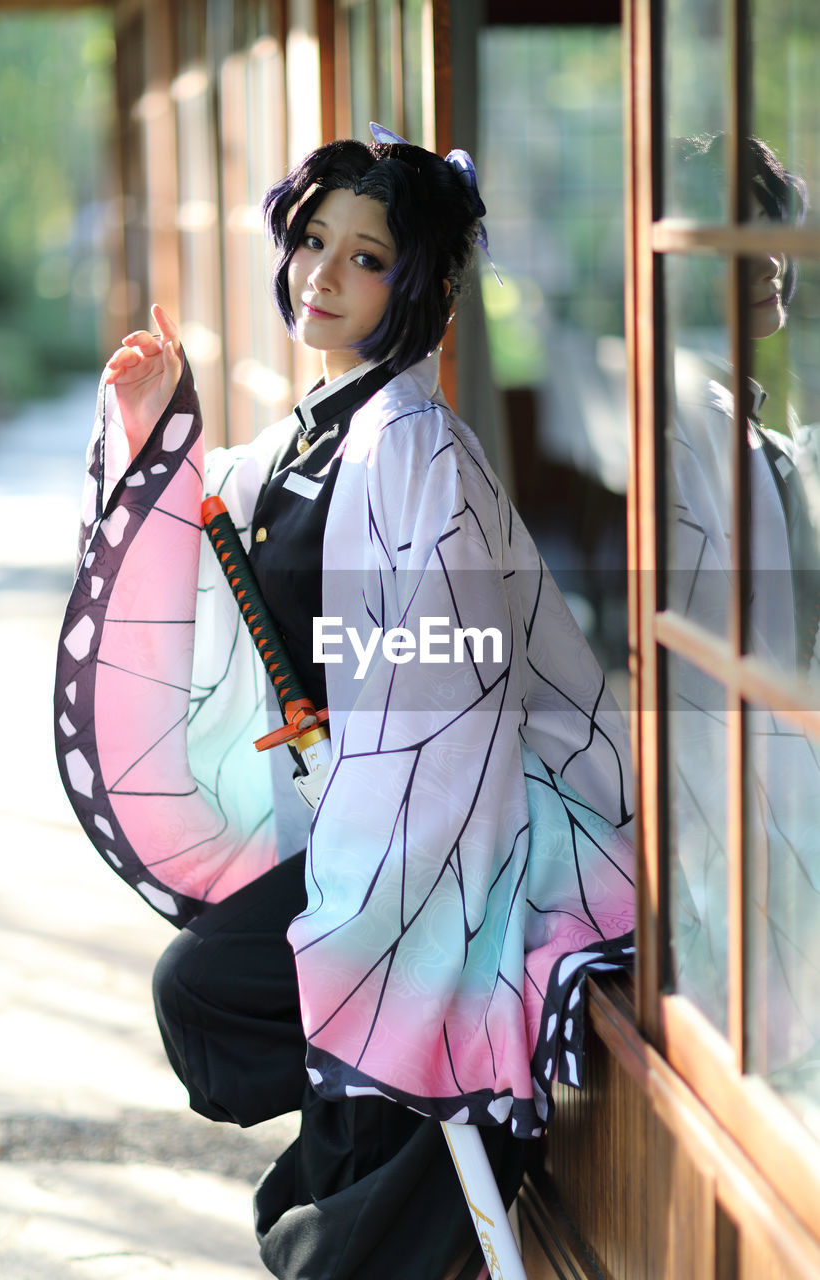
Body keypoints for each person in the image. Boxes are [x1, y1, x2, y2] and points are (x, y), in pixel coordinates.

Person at [54, 128, 636, 1279]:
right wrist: (155, 429)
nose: (320, 274)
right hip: (369, 822)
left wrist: (368, 897)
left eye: (365, 257)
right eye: (312, 239)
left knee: (258, 1022)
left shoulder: (419, 452)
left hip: (452, 838)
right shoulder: (322, 427)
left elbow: (450, 698)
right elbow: (214, 529)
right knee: (295, 1071)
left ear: (418, 284)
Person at [667, 133, 820, 1072]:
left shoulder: (729, 411)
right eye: (737, 241)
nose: (768, 263)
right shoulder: (702, 427)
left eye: (774, 237)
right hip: (735, 796)